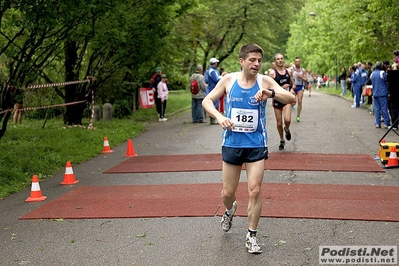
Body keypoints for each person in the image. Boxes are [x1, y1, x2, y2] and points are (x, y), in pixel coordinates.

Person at [202, 43, 295, 254]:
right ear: (241, 61)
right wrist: (219, 117)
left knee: (255, 190)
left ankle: (251, 235)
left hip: (256, 144)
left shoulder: (265, 81)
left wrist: (270, 93)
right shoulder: (229, 80)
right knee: (228, 193)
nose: (256, 64)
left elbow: (290, 98)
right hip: (232, 143)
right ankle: (229, 210)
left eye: (259, 61)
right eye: (252, 60)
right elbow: (207, 101)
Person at [269, 53, 296, 150]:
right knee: (279, 123)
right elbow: (269, 87)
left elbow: (293, 84)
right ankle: (282, 139)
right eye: (278, 59)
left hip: (286, 99)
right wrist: (280, 88)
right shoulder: (272, 73)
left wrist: (292, 89)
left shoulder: (288, 72)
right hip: (277, 99)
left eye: (281, 58)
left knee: (287, 120)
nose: (280, 60)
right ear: (275, 61)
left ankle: (287, 129)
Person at [370, 62, 391, 128]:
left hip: (375, 93)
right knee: (384, 109)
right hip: (382, 93)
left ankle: (377, 122)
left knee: (377, 109)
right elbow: (386, 80)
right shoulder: (382, 73)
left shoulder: (372, 74)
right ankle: (387, 123)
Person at [205, 57, 223, 124]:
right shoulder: (213, 71)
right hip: (214, 88)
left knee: (212, 103)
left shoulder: (208, 71)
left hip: (210, 88)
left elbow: (206, 80)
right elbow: (216, 79)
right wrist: (223, 76)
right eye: (216, 63)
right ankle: (213, 119)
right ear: (215, 63)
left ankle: (213, 119)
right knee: (214, 104)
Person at [291, 57, 307, 122]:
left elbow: (306, 80)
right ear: (294, 62)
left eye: (298, 61)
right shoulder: (291, 69)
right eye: (296, 61)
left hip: (300, 87)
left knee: (300, 101)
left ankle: (298, 115)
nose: (297, 62)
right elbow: (288, 77)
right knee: (292, 101)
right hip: (293, 87)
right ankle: (288, 113)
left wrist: (301, 76)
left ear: (300, 62)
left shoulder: (303, 70)